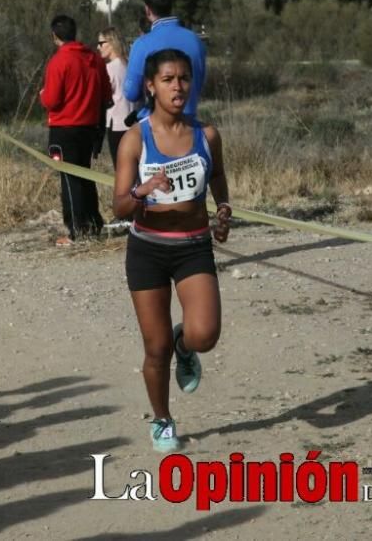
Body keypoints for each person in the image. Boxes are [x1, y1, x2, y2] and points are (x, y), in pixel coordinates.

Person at [112, 49, 232, 453]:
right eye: (168, 79)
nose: (177, 86)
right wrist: (141, 192)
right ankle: (162, 420)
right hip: (147, 249)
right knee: (155, 347)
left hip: (193, 247)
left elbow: (216, 176)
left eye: (183, 78)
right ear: (151, 86)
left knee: (205, 334)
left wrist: (224, 209)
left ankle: (187, 347)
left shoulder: (207, 135)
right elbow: (119, 206)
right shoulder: (135, 139)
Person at [39, 14, 109, 245]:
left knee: (69, 178)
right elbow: (106, 95)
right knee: (85, 175)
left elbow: (51, 100)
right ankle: (93, 221)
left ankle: (76, 228)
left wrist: (42, 96)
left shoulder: (59, 61)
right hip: (89, 126)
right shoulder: (95, 59)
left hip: (64, 127)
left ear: (54, 36)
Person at [123, 0, 207, 123]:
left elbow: (131, 93)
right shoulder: (195, 41)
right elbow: (199, 84)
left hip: (155, 125)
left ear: (147, 10)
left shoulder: (142, 44)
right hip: (189, 123)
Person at [97, 27, 133, 167]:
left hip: (117, 123)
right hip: (135, 122)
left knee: (121, 169)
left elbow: (102, 96)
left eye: (101, 43)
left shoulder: (109, 69)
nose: (98, 47)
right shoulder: (130, 64)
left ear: (111, 43)